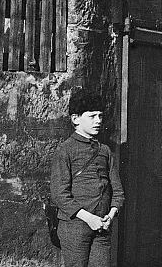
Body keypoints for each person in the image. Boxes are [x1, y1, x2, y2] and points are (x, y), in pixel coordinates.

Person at [50, 89, 124, 267]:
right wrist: (89, 218)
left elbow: (118, 191)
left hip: (102, 226)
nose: (98, 121)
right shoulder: (65, 150)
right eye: (92, 116)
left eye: (100, 116)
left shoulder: (105, 151)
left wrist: (111, 215)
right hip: (75, 226)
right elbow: (59, 194)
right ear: (75, 119)